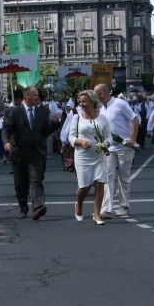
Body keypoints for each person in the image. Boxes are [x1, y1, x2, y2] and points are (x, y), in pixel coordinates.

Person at [2, 86, 57, 220]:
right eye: (35, 95)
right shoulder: (14, 111)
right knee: (21, 183)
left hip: (37, 152)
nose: (37, 97)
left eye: (37, 95)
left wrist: (56, 123)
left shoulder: (43, 111)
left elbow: (44, 132)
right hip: (19, 151)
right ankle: (23, 207)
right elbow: (6, 129)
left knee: (36, 179)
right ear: (27, 97)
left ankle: (38, 207)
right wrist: (6, 142)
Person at [94, 84, 139, 218]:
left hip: (125, 147)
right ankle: (107, 209)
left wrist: (132, 139)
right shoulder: (100, 109)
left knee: (123, 178)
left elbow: (134, 120)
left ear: (101, 93)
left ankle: (124, 205)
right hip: (109, 148)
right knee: (107, 177)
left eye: (95, 93)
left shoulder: (120, 103)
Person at [68, 90, 112, 225]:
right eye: (79, 101)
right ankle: (79, 204)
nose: (81, 104)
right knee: (84, 187)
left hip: (98, 155)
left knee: (99, 184)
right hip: (82, 156)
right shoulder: (76, 117)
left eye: (84, 101)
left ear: (93, 102)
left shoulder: (103, 118)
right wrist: (80, 142)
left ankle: (97, 214)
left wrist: (106, 144)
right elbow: (70, 137)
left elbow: (108, 136)